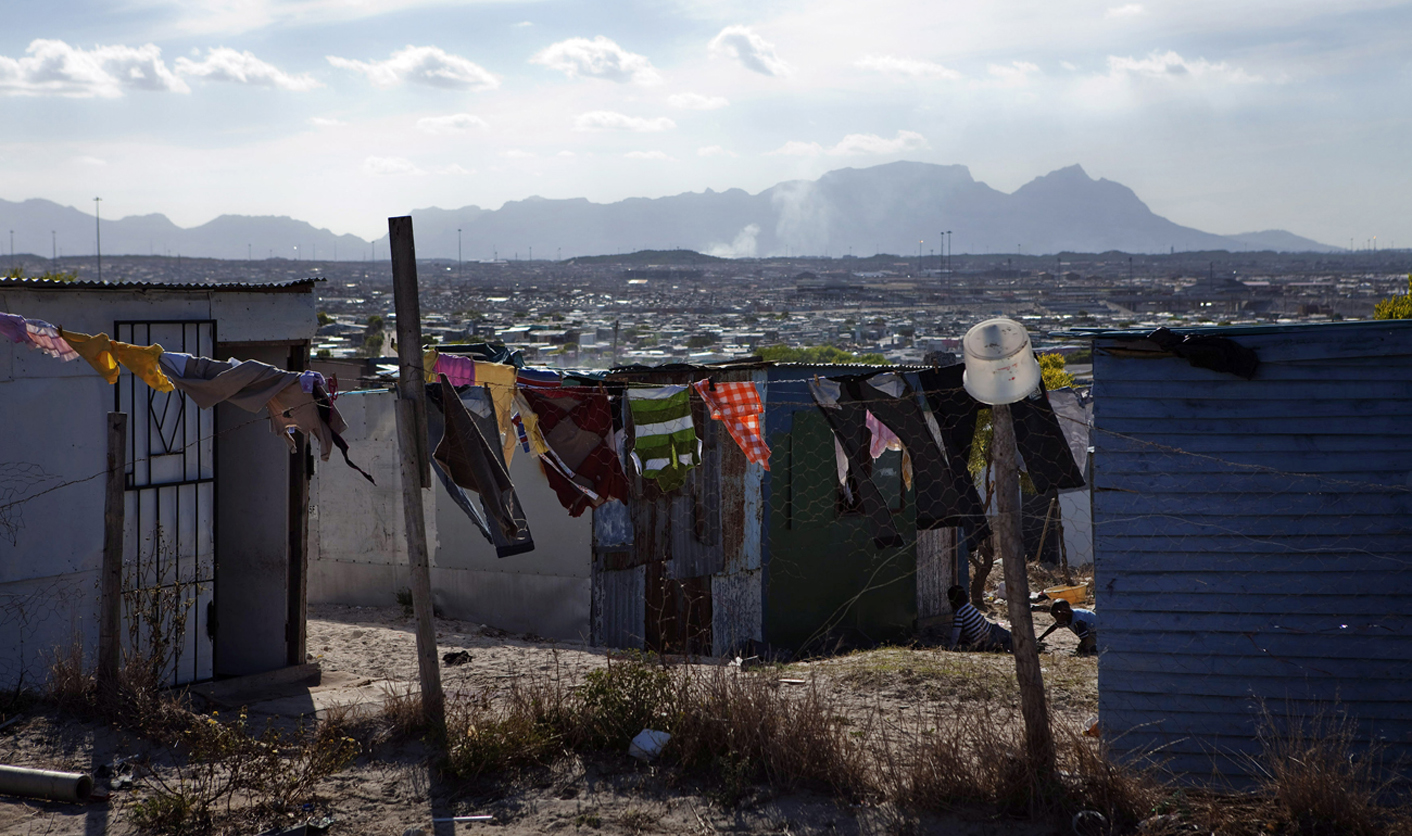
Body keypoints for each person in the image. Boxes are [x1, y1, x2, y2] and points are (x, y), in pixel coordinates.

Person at [947, 585, 1012, 652]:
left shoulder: (959, 614)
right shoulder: (969, 607)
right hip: (991, 633)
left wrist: (952, 646)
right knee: (1010, 638)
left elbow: (956, 633)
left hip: (984, 641)